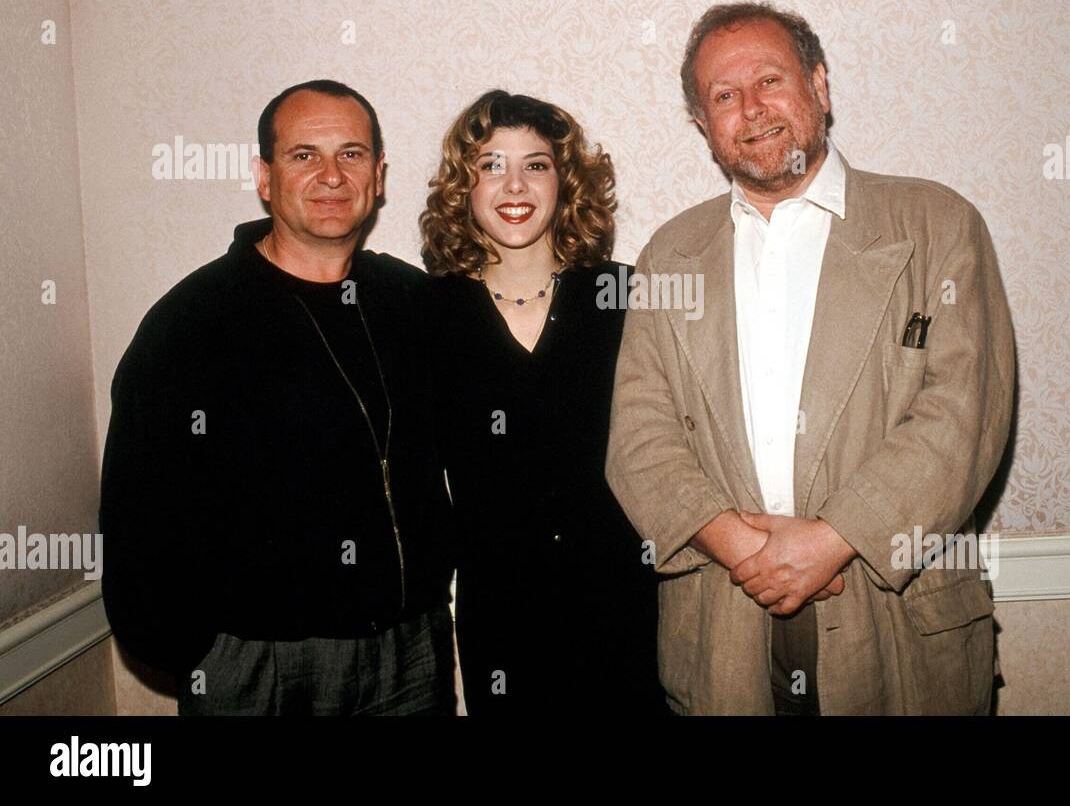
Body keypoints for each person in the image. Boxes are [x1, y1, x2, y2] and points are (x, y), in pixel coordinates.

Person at [606, 2, 1016, 715]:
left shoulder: (937, 225)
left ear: (820, 86)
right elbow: (639, 439)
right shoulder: (669, 254)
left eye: (770, 80)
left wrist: (833, 541)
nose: (752, 109)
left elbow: (962, 416)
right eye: (723, 96)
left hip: (898, 622)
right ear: (703, 127)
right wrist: (741, 549)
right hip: (723, 625)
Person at [99, 79, 456, 715]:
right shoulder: (192, 324)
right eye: (303, 155)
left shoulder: (411, 303)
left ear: (378, 175)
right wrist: (198, 653)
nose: (331, 175)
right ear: (265, 177)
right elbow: (138, 509)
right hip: (261, 666)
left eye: (351, 153)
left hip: (409, 653)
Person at [420, 90, 664, 716]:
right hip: (501, 618)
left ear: (566, 180)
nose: (514, 184)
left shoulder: (625, 296)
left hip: (630, 608)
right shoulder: (426, 314)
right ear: (462, 185)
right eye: (490, 164)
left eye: (536, 163)